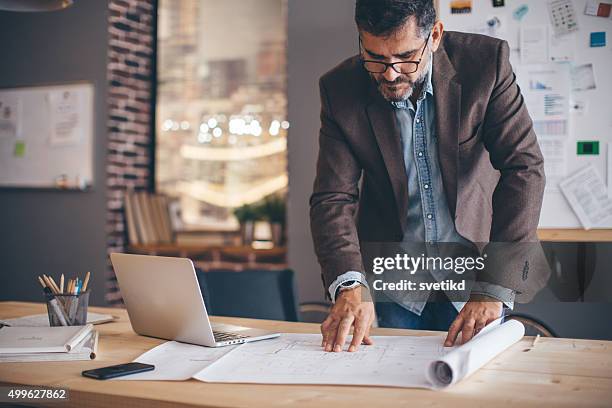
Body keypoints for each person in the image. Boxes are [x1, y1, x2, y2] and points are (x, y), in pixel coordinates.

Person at [310, 0, 545, 352]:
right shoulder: (340, 88)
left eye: (405, 57)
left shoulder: (485, 64)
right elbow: (333, 197)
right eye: (375, 57)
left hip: (474, 277)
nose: (389, 74)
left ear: (434, 35)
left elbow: (523, 167)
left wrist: (493, 285)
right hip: (394, 282)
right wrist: (349, 283)